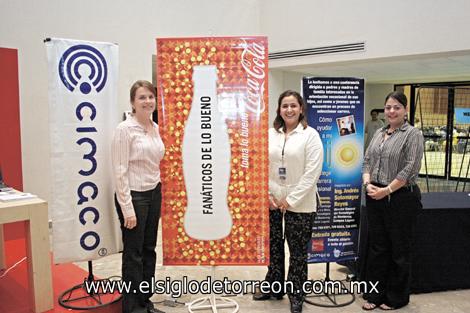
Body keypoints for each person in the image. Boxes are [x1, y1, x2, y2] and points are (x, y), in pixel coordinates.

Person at [253, 90, 323, 313]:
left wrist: (290, 200)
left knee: (298, 251)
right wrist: (268, 195)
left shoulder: (310, 135)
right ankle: (273, 286)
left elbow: (313, 173)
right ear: (279, 109)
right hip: (272, 201)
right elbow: (260, 164)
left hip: (301, 204)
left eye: (294, 105)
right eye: (285, 106)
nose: (289, 110)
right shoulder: (270, 134)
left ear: (301, 109)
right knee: (273, 247)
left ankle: (296, 294)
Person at [362, 91, 424, 310]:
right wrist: (367, 183)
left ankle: (396, 298)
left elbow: (410, 168)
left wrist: (387, 190)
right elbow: (367, 160)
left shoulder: (413, 134)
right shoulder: (379, 132)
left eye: (396, 107)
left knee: (399, 249)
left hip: (400, 197)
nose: (391, 111)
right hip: (374, 194)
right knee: (378, 248)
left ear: (405, 110)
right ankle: (374, 295)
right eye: (388, 107)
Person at [112, 80, 165, 313]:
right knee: (133, 254)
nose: (147, 101)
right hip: (133, 195)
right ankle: (133, 307)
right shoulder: (125, 129)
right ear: (132, 102)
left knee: (149, 249)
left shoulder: (154, 126)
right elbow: (119, 170)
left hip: (154, 192)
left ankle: (145, 300)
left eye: (151, 97)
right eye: (142, 97)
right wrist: (127, 208)